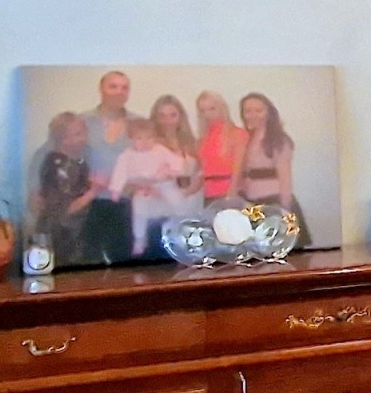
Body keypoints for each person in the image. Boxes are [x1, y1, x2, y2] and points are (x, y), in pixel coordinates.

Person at [109, 105, 197, 259]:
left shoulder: (159, 149)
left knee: (178, 202)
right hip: (142, 188)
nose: (145, 142)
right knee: (139, 211)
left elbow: (176, 162)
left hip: (163, 183)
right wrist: (116, 189)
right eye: (139, 138)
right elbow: (119, 172)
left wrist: (173, 171)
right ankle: (140, 238)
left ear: (155, 138)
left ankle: (185, 229)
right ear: (131, 139)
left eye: (149, 138)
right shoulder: (127, 155)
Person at [28, 111, 101, 266]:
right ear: (62, 139)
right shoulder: (57, 166)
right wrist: (94, 191)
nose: (82, 138)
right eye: (76, 134)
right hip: (63, 239)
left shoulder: (82, 156)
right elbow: (65, 209)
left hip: (75, 234)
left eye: (82, 132)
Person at [80, 72, 137, 262]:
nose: (119, 91)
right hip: (88, 203)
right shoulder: (82, 121)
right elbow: (59, 151)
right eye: (113, 86)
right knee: (88, 264)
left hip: (127, 203)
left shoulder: (139, 123)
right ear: (101, 89)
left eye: (124, 87)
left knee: (125, 265)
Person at [236, 91, 305, 243]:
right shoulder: (244, 139)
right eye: (248, 111)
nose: (253, 115)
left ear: (268, 113)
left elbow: (285, 179)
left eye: (258, 110)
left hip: (273, 204)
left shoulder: (278, 140)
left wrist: (285, 212)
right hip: (251, 206)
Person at [195, 90, 247, 202]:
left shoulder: (236, 133)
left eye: (212, 109)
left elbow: (238, 167)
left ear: (222, 108)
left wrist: (232, 192)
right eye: (203, 111)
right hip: (208, 194)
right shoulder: (203, 139)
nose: (207, 114)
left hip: (230, 192)